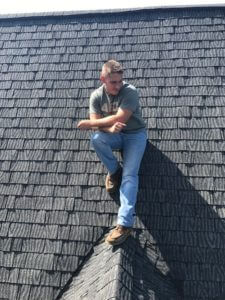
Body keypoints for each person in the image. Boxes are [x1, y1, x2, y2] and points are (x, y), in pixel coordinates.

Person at [77, 60, 147, 246]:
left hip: (134, 135)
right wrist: (107, 129)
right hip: (115, 135)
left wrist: (89, 124)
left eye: (120, 81)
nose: (118, 85)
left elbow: (118, 118)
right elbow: (101, 126)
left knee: (131, 175)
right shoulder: (96, 96)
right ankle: (115, 171)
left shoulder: (130, 91)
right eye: (113, 82)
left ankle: (124, 223)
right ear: (103, 79)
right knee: (97, 139)